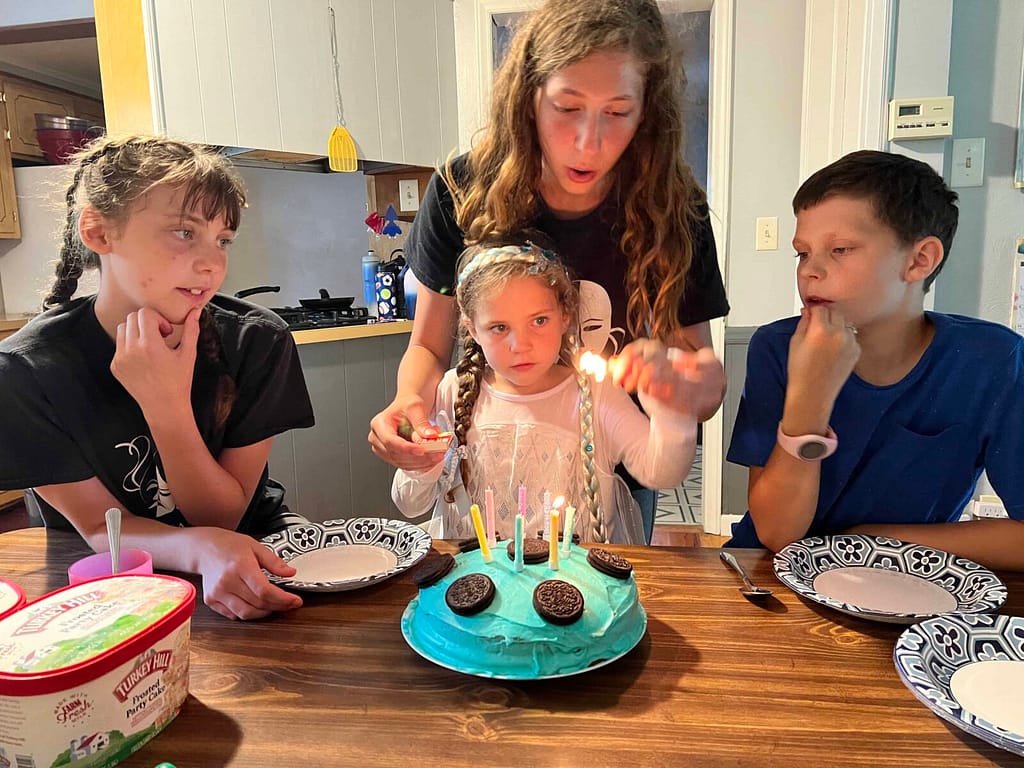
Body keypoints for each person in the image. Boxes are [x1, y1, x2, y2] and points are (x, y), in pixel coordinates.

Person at [369, 0, 729, 542]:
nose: (590, 141)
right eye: (567, 107)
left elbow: (694, 374)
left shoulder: (673, 207)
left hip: (611, 472)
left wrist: (688, 392)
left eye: (617, 111)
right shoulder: (463, 189)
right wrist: (408, 402)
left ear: (647, 110)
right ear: (528, 97)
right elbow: (427, 346)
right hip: (483, 487)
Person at [0, 135, 317, 618]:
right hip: (105, 578)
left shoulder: (257, 342)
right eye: (184, 232)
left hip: (250, 550)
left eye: (223, 239)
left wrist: (165, 404)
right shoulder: (23, 373)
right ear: (99, 232)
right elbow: (99, 529)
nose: (212, 264)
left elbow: (219, 517)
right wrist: (202, 548)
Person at [726, 150, 1024, 571]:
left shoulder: (993, 362)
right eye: (802, 253)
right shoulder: (776, 348)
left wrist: (871, 539)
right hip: (769, 574)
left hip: (905, 576)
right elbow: (777, 533)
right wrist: (809, 398)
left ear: (920, 260)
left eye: (841, 249)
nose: (810, 271)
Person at [391, 239, 699, 544]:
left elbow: (663, 472)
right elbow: (409, 502)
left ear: (565, 316)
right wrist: (424, 460)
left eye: (539, 320)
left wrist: (669, 408)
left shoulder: (598, 394)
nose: (520, 345)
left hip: (577, 589)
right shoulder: (452, 392)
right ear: (473, 329)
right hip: (474, 587)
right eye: (499, 327)